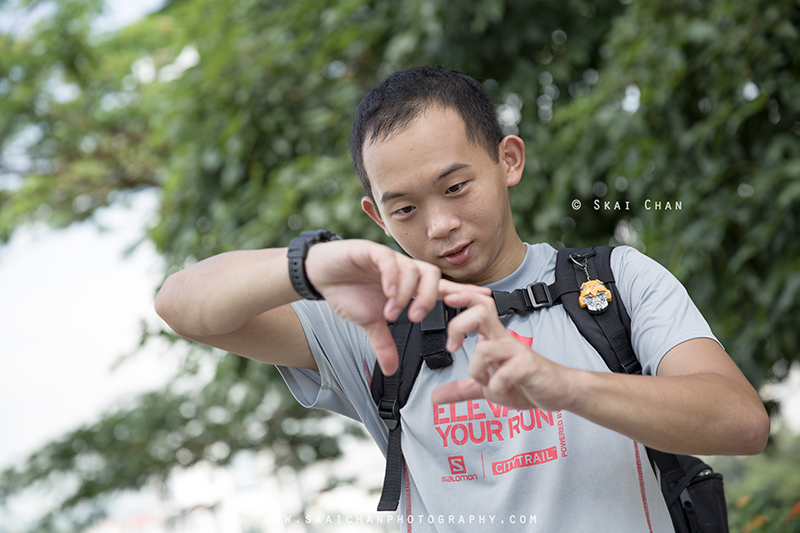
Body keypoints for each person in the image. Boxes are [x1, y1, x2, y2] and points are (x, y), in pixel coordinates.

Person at [155, 65, 769, 531]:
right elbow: (179, 304)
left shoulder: (617, 283)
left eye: (455, 186)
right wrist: (308, 262)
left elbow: (739, 421)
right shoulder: (374, 320)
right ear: (376, 215)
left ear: (509, 159)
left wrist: (564, 385)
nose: (441, 223)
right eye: (405, 208)